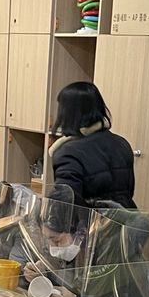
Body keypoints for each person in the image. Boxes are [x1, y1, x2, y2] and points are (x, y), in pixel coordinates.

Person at [47, 82, 136, 210]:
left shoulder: (68, 153)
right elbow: (127, 192)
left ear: (67, 113)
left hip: (91, 221)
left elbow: (64, 205)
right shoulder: (122, 143)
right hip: (124, 219)